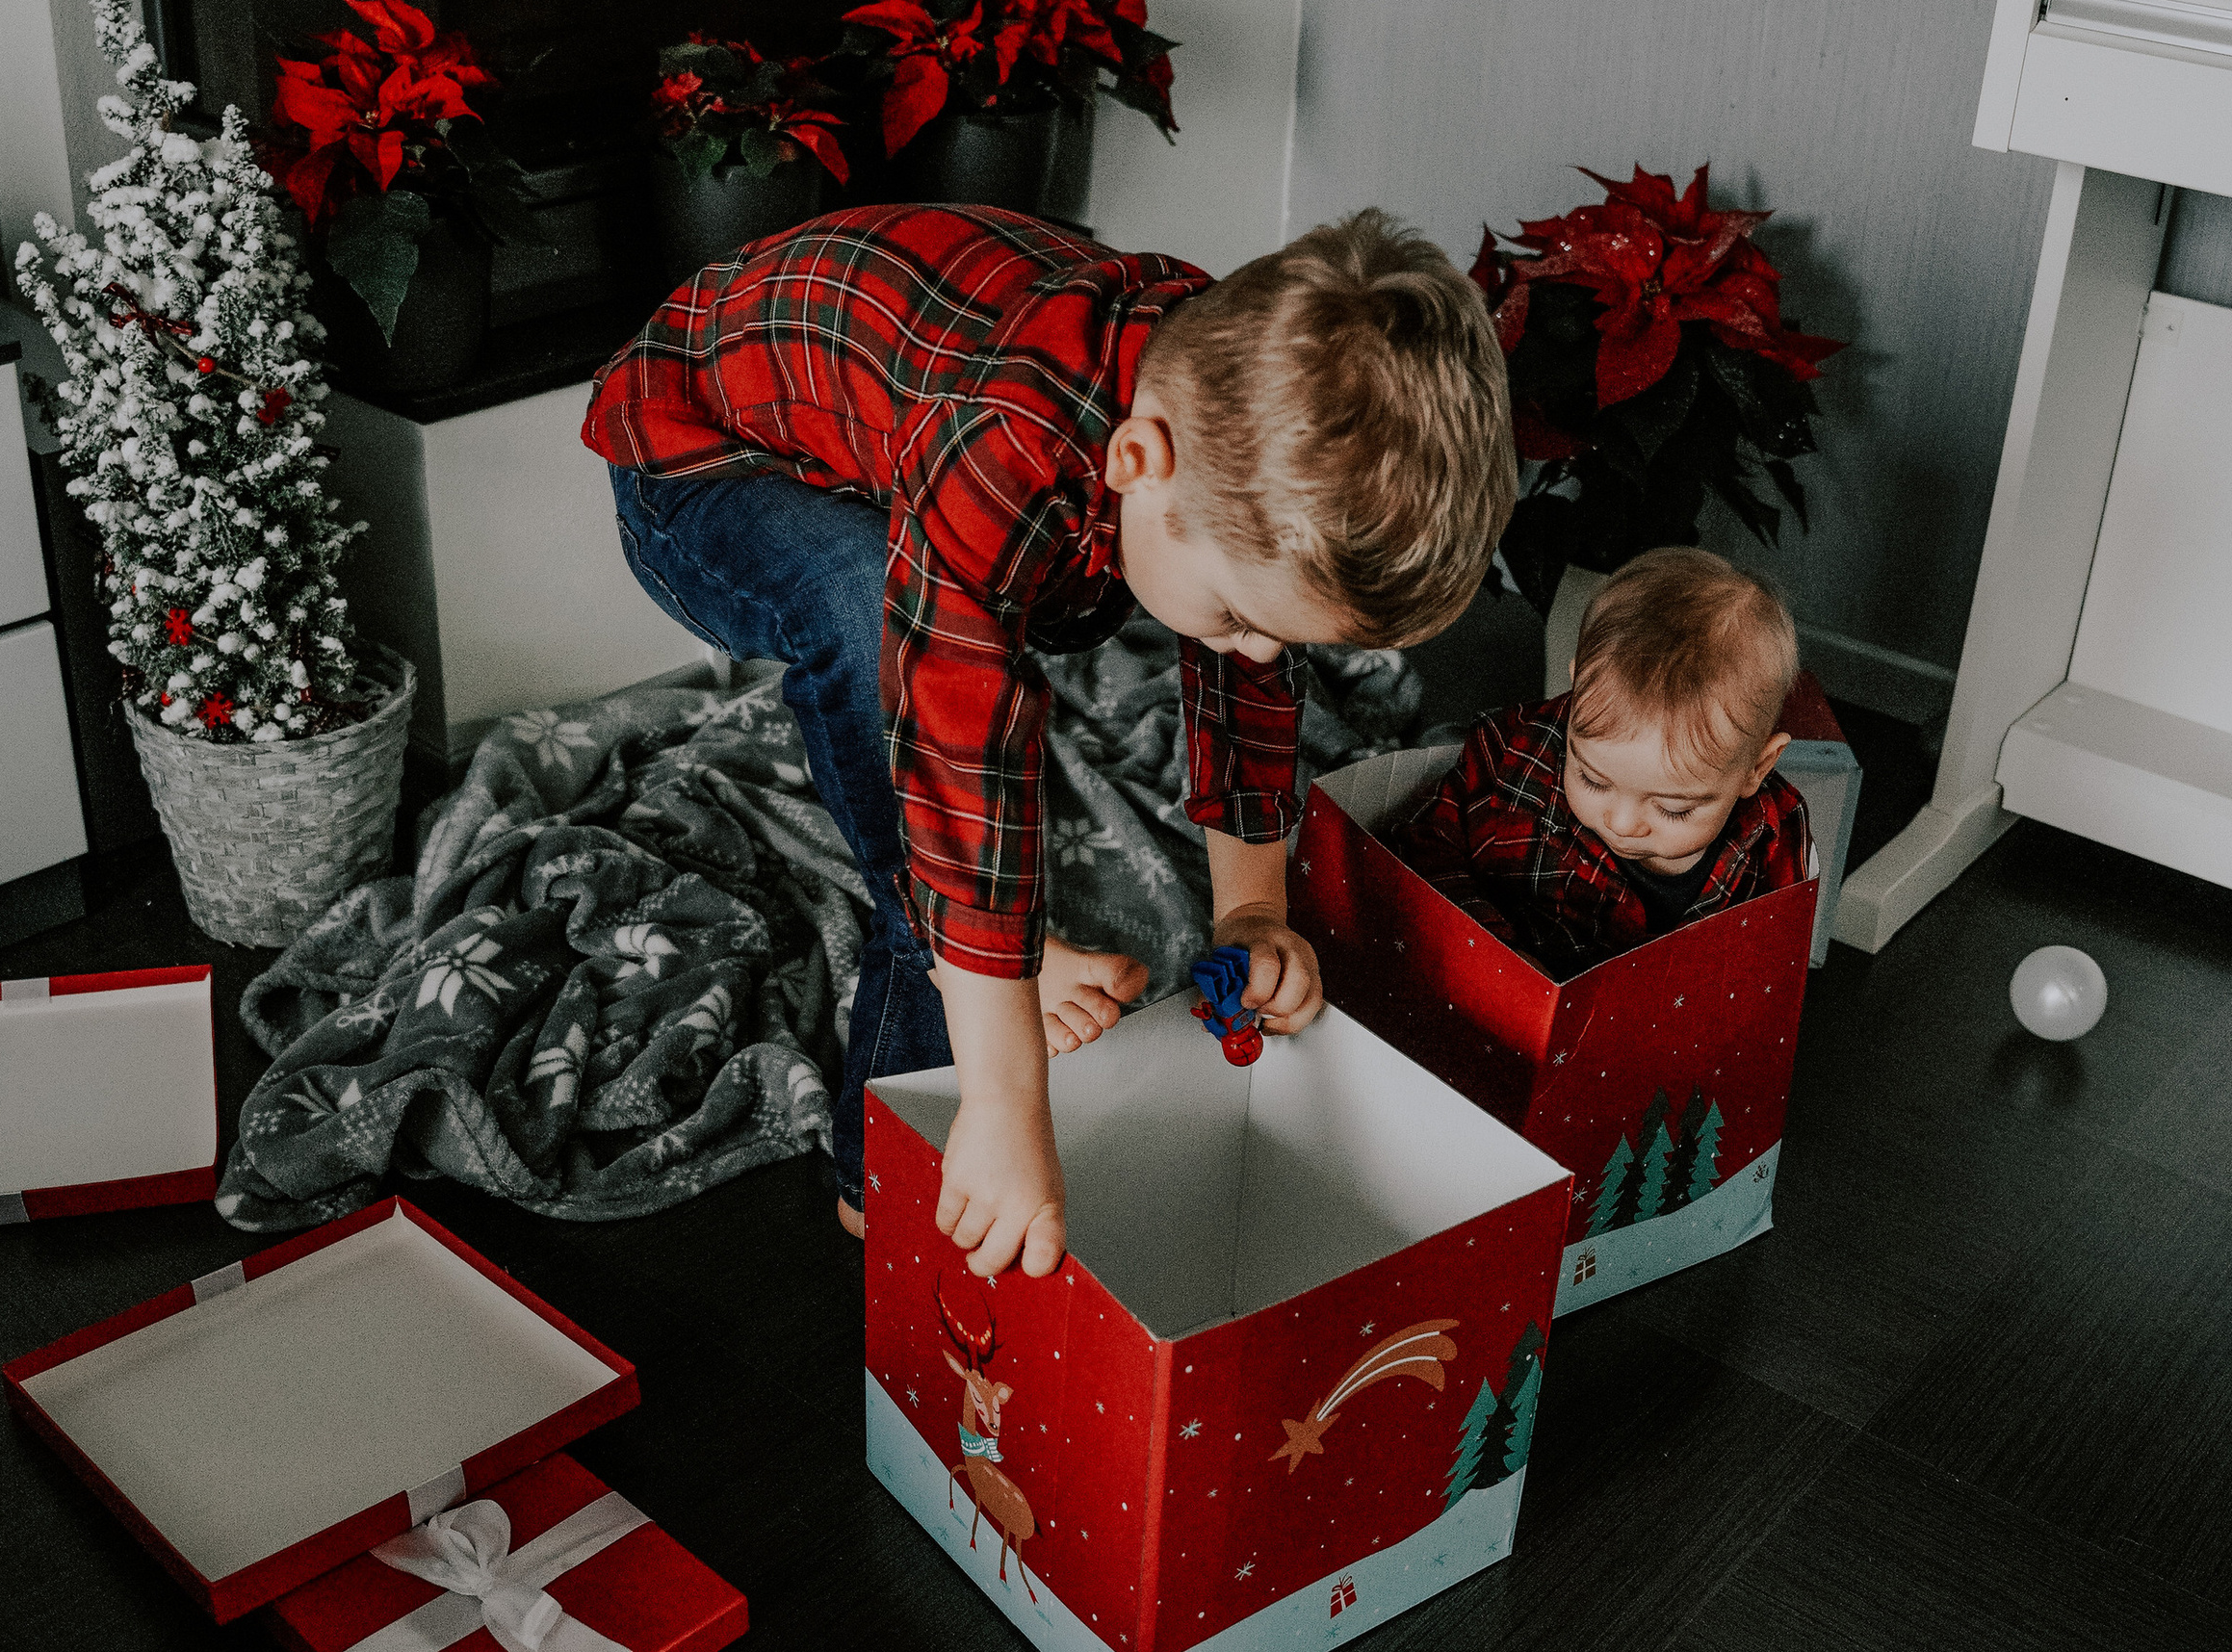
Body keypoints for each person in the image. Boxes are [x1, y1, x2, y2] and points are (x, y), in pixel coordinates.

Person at [583, 201, 1516, 1279]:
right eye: (1237, 617)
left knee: (1022, 657)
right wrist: (1007, 1095)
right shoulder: (1007, 438)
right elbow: (955, 750)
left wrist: (1255, 909)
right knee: (879, 631)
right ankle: (881, 1176)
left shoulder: (1237, 422)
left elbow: (1246, 691)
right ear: (1136, 460)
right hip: (697, 466)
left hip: (894, 432)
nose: (1256, 653)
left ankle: (978, 970)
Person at [1392, 546, 1814, 979]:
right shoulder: (1509, 752)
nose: (1624, 823)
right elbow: (1425, 849)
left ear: (1756, 769)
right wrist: (1495, 948)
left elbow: (1770, 973)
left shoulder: (1773, 841)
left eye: (1674, 808)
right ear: (1577, 692)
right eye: (1593, 780)